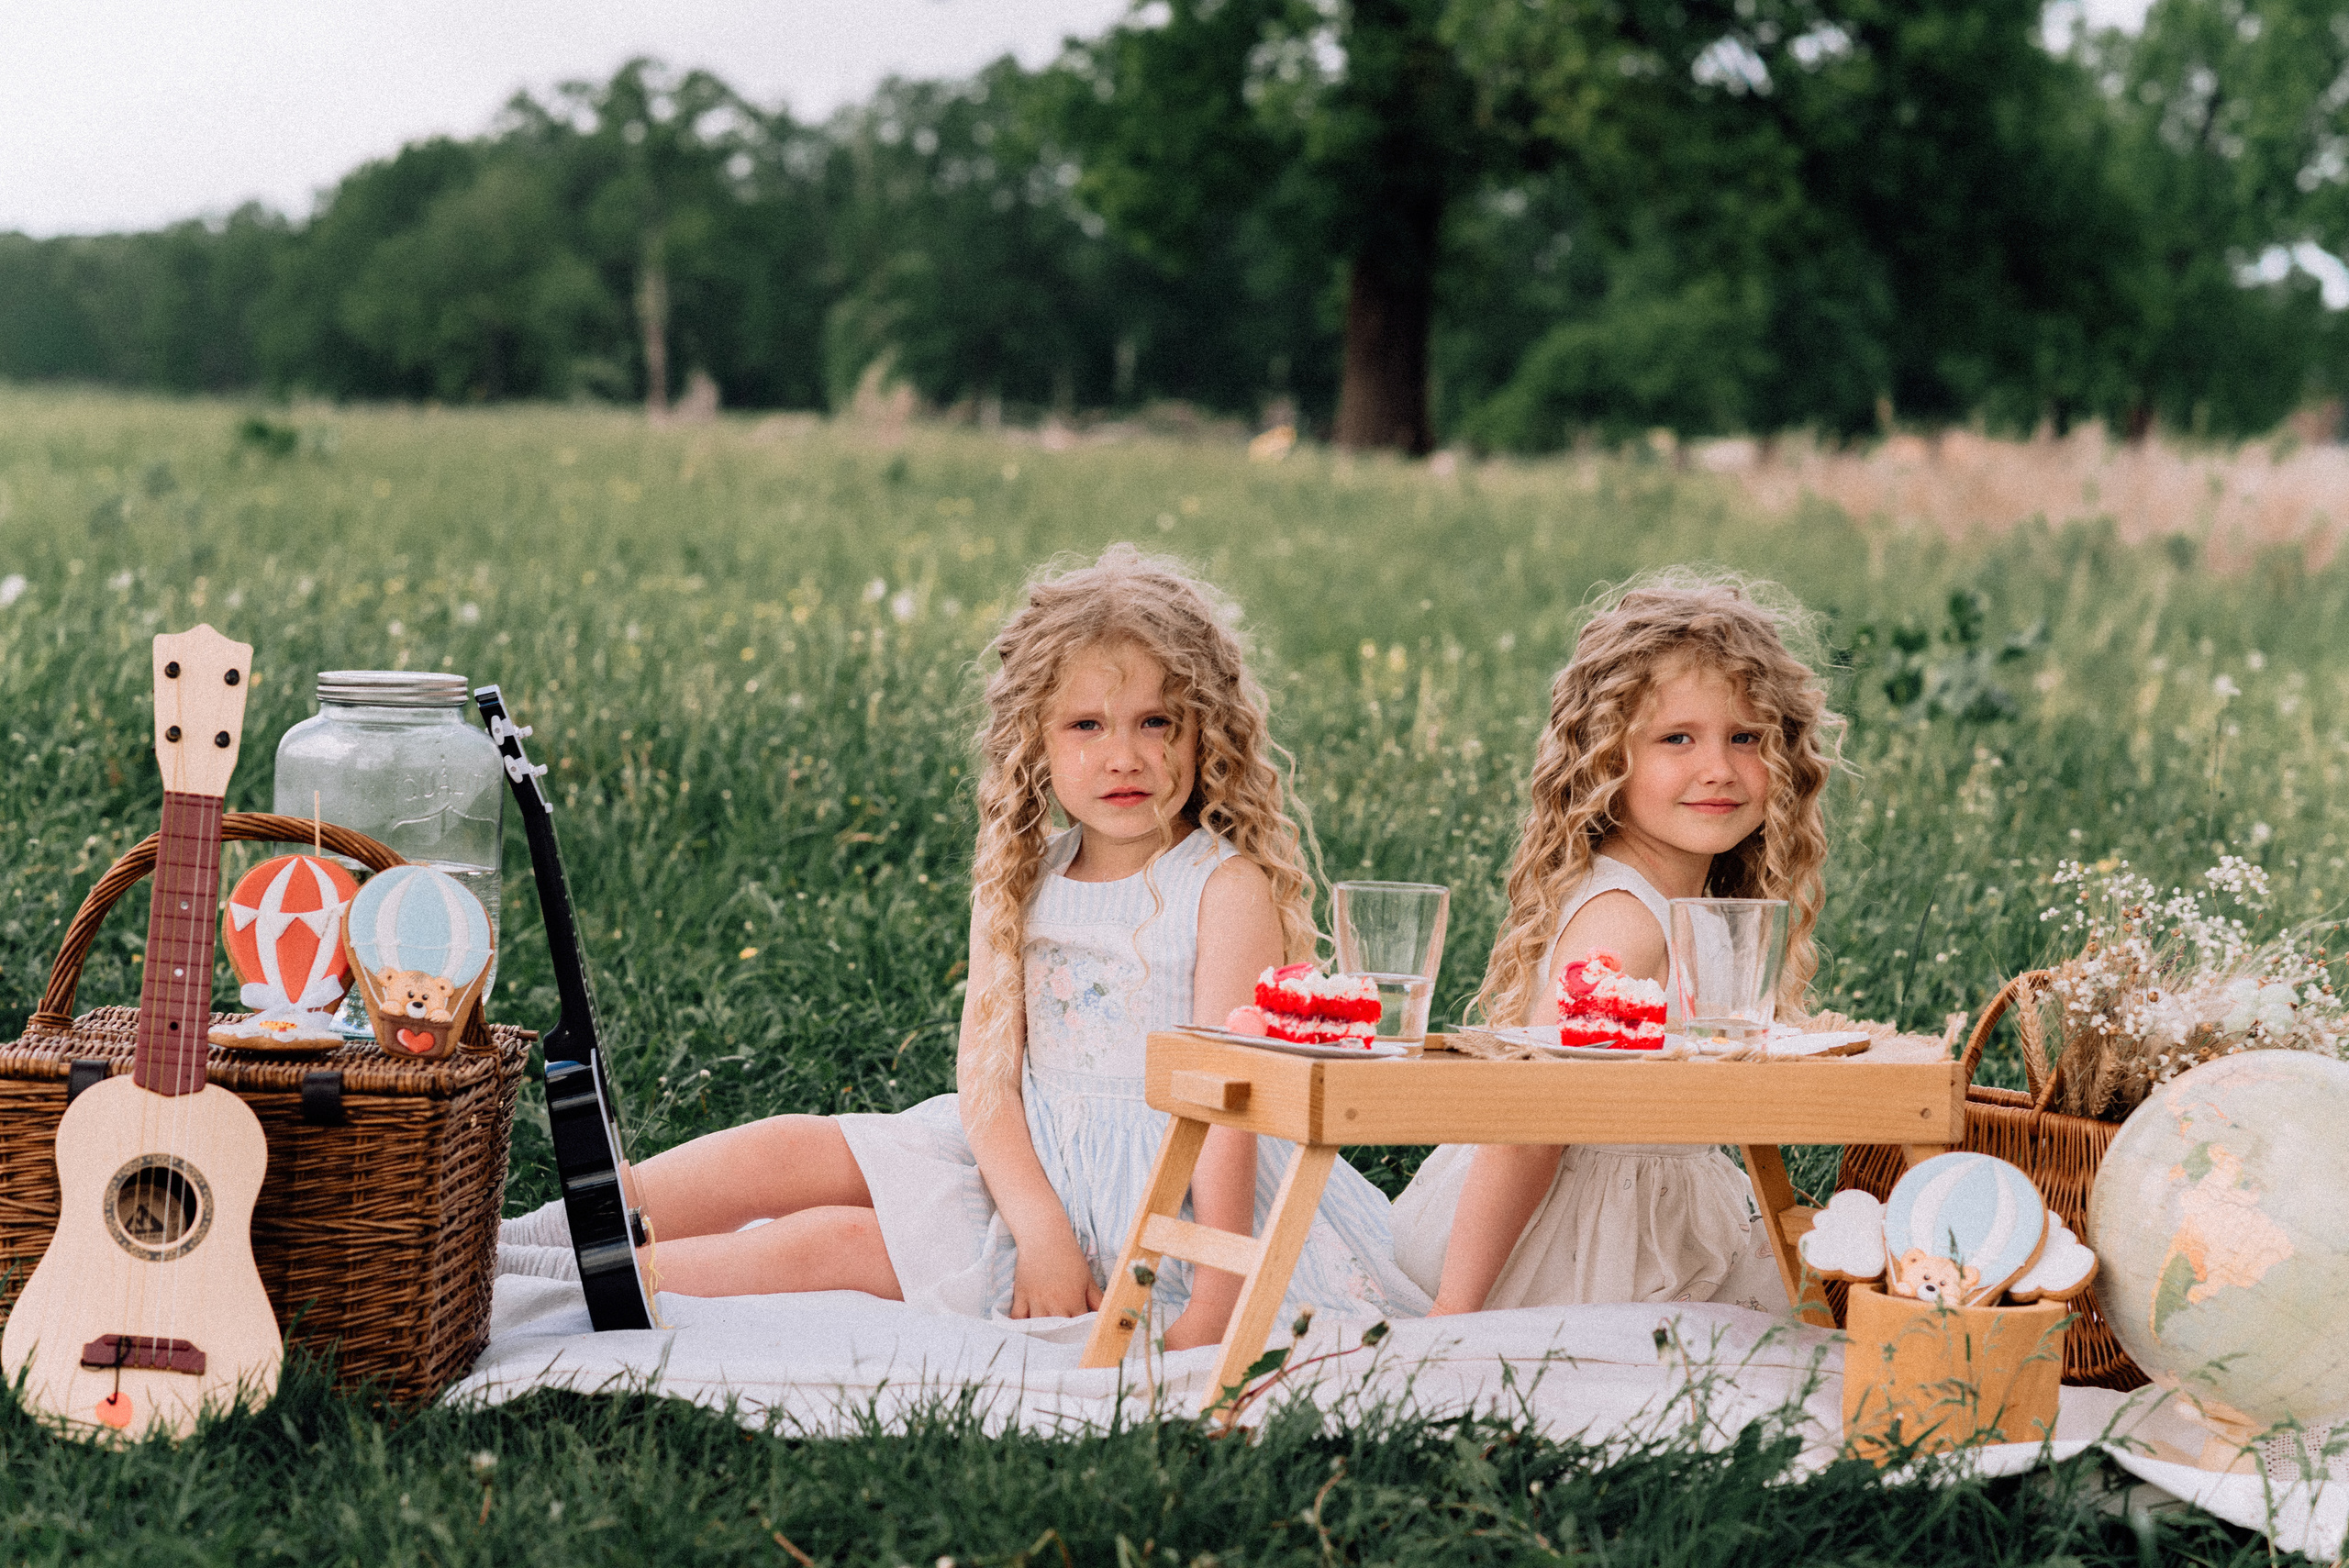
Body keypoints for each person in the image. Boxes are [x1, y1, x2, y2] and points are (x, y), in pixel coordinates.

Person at [501, 544, 1427, 1347]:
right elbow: (986, 1079)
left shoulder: (1224, 887)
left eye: (1156, 721)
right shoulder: (1026, 875)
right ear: (1035, 738)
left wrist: (1216, 1296)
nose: (1124, 756)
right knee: (795, 1147)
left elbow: (1236, 1106)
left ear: (1205, 730)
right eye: (1087, 725)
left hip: (1160, 1201)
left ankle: (558, 1291)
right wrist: (1036, 1224)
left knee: (832, 1243)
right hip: (1020, 1160)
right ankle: (525, 1237)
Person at [1389, 573, 1843, 1315]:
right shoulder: (1625, 920)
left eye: (1745, 738)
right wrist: (1455, 1313)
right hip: (1584, 1239)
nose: (1719, 770)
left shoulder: (1691, 901)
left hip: (1651, 1204)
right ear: (1607, 759)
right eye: (1677, 739)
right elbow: (1531, 1125)